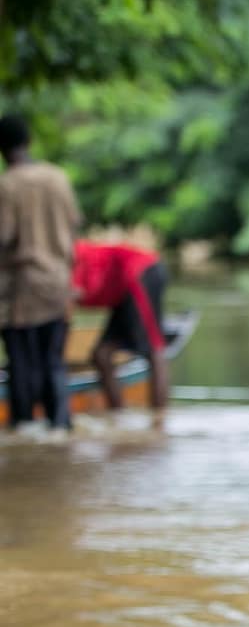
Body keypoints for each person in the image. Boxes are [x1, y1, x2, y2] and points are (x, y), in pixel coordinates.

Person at [0, 114, 82, 432]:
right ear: (29, 142)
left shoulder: (6, 186)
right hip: (59, 282)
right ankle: (60, 424)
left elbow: (4, 235)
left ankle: (23, 426)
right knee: (54, 360)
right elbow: (74, 223)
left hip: (22, 288)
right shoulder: (58, 178)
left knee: (21, 362)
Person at [71, 239, 172, 416]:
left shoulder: (74, 256)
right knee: (101, 354)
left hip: (139, 274)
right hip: (120, 293)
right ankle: (119, 416)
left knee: (154, 350)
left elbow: (86, 289)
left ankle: (159, 419)